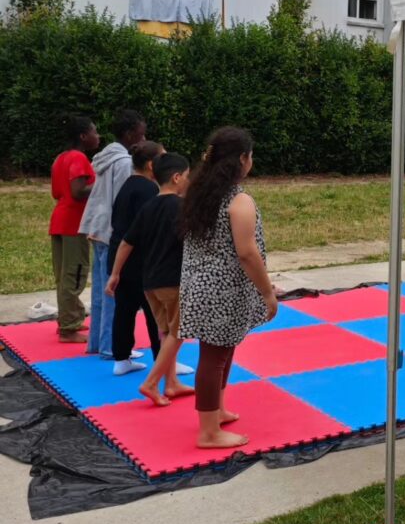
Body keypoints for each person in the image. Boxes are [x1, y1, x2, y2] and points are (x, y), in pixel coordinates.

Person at [178, 127, 277, 449]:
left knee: (222, 349)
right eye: (251, 156)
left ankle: (216, 409)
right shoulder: (239, 200)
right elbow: (247, 253)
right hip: (222, 291)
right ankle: (208, 431)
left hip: (201, 286)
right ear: (242, 160)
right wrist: (267, 292)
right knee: (214, 356)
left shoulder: (201, 193)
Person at [106, 153, 194, 406]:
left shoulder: (149, 206)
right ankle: (152, 382)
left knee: (165, 331)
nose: (188, 182)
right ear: (177, 178)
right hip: (172, 281)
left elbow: (126, 242)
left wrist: (115, 274)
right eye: (187, 177)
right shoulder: (180, 207)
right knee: (177, 333)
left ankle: (172, 383)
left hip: (150, 283)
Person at [80, 108, 147, 359]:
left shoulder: (104, 157)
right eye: (141, 135)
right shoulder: (123, 163)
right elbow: (123, 201)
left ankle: (97, 342)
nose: (142, 140)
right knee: (113, 290)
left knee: (100, 290)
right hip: (112, 232)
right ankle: (111, 346)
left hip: (97, 228)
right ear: (130, 134)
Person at [106, 140, 163, 376]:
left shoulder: (129, 185)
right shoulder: (149, 190)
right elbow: (149, 228)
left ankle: (121, 358)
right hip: (139, 259)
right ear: (151, 165)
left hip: (120, 255)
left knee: (125, 309)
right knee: (156, 312)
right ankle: (163, 361)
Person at [49, 115, 100, 341]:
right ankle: (68, 328)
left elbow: (56, 193)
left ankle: (72, 317)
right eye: (94, 132)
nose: (97, 136)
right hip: (73, 224)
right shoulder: (79, 158)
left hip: (59, 219)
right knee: (75, 273)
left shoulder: (60, 158)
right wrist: (102, 183)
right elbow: (79, 191)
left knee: (63, 274)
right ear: (83, 136)